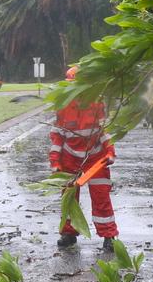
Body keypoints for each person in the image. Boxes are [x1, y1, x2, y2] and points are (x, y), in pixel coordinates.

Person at [50, 65, 118, 252]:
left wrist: (110, 151)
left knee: (101, 197)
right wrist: (55, 162)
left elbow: (105, 131)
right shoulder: (62, 106)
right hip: (69, 158)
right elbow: (57, 136)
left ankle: (109, 236)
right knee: (69, 199)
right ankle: (69, 234)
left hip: (96, 158)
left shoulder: (97, 103)